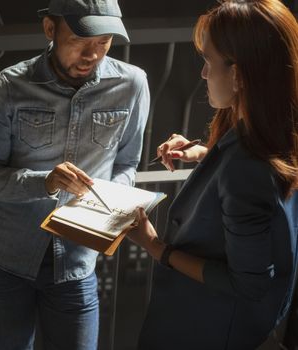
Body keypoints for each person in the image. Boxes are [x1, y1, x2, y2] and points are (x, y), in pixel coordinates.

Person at [0, 0, 150, 348]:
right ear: (50, 29)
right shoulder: (9, 85)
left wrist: (115, 201)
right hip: (5, 257)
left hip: (77, 261)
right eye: (81, 40)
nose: (92, 54)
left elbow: (127, 165)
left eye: (104, 41)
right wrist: (45, 182)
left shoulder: (133, 84)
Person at [126, 0, 298, 349]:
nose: (203, 73)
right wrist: (203, 154)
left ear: (238, 74)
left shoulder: (246, 169)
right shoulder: (278, 128)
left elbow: (248, 284)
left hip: (209, 328)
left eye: (208, 61)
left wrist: (154, 246)